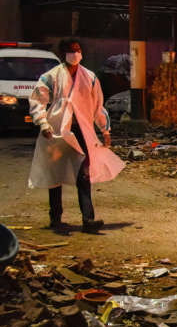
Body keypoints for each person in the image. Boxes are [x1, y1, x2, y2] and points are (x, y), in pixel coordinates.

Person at [28, 38, 125, 233]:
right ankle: (56, 219)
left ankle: (88, 219)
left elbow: (98, 107)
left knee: (84, 174)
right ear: (64, 54)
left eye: (78, 49)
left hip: (81, 131)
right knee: (54, 174)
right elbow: (38, 101)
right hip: (56, 131)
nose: (75, 53)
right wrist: (43, 123)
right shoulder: (51, 77)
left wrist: (105, 130)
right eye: (72, 50)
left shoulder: (90, 78)